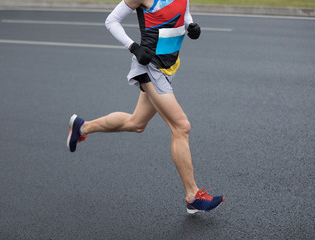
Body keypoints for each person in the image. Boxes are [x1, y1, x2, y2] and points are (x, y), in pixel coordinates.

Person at [67, 0, 224, 214]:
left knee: (136, 123)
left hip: (170, 66)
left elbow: (184, 12)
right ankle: (192, 196)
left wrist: (190, 26)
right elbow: (111, 21)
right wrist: (133, 47)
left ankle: (82, 127)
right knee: (181, 126)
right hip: (149, 67)